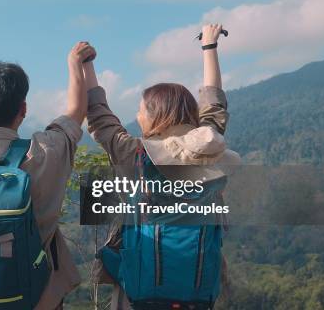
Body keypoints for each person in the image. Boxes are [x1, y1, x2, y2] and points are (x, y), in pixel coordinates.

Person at [86, 24, 239, 309]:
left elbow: (99, 118)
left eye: (141, 110)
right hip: (199, 295)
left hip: (141, 296)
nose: (137, 115)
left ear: (155, 116)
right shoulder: (209, 148)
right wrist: (209, 47)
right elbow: (214, 104)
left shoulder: (136, 154)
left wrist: (86, 65)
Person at [0, 37, 95, 309]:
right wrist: (74, 63)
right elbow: (76, 111)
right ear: (23, 109)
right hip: (37, 298)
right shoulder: (46, 151)